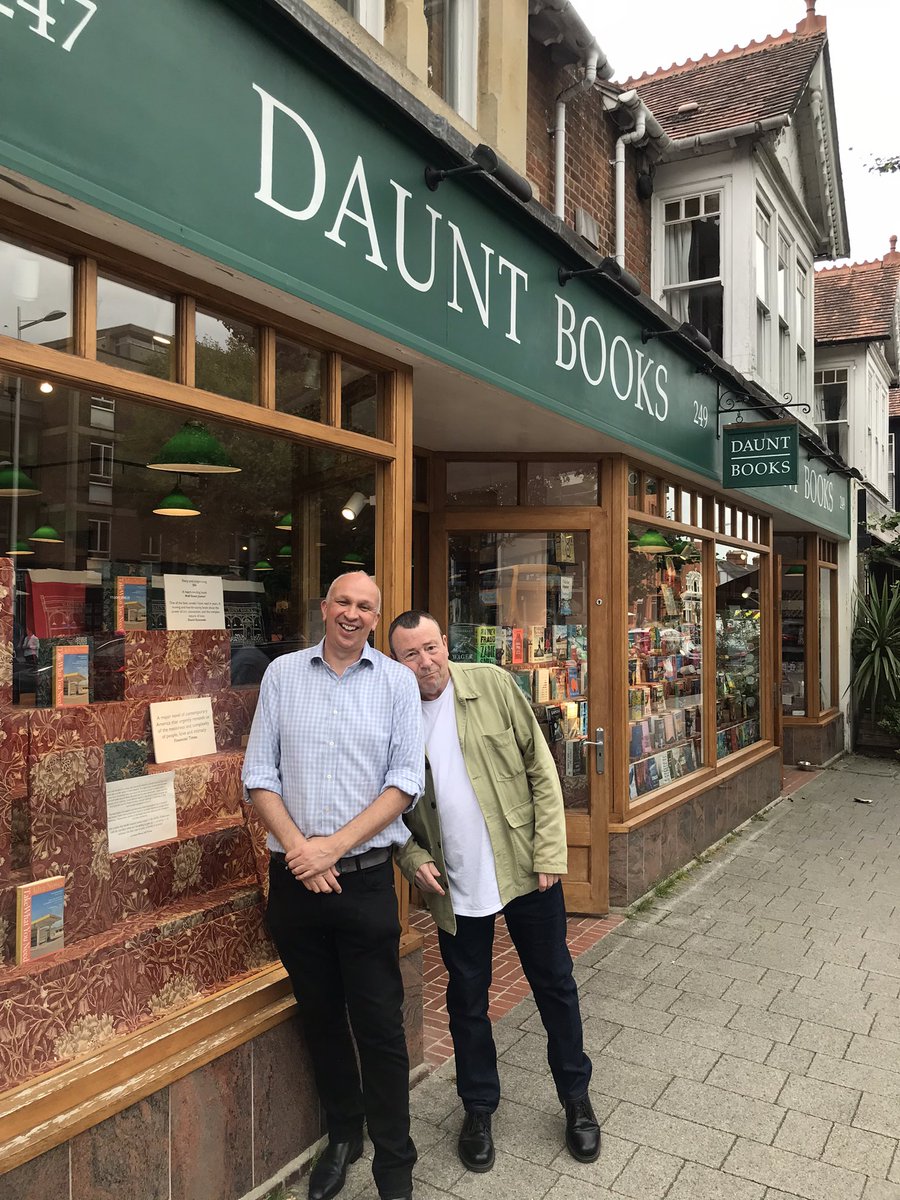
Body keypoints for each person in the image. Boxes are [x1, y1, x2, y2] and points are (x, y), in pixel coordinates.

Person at [389, 610, 600, 1173]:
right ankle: (478, 1108)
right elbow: (384, 807)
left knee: (554, 984)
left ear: (443, 644)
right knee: (467, 1001)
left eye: (430, 648)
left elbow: (541, 768)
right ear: (397, 660)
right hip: (455, 886)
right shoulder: (394, 713)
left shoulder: (491, 682)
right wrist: (412, 858)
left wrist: (551, 851)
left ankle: (576, 1099)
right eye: (410, 654)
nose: (425, 662)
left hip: (526, 870)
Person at [242, 572, 425, 1200]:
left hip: (366, 882)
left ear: (376, 618)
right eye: (343, 602)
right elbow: (258, 774)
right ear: (324, 608)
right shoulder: (282, 675)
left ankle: (395, 1166)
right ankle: (345, 1133)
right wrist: (301, 852)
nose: (352, 614)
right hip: (295, 887)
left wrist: (332, 848)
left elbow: (403, 784)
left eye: (365, 607)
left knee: (379, 1027)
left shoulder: (398, 684)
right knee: (320, 1018)